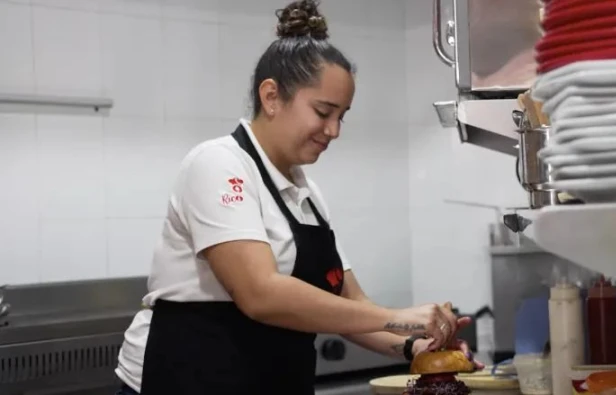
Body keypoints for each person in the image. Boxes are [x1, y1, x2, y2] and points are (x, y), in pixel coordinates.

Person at [113, 1, 481, 394]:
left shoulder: (305, 193)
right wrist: (399, 317)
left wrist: (414, 345)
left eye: (343, 115)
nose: (334, 130)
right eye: (323, 111)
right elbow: (260, 294)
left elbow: (349, 304)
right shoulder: (217, 164)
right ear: (271, 96)